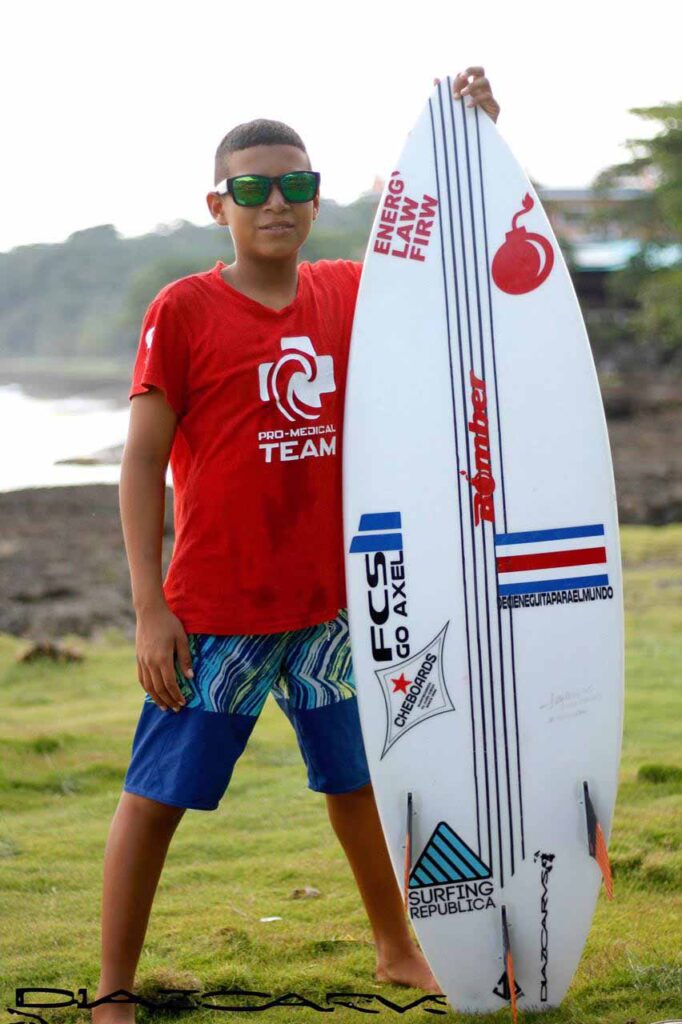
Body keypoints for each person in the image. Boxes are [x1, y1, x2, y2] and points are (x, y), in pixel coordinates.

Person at [92, 68, 501, 1024]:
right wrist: (152, 610)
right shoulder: (182, 311)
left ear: (317, 198)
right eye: (250, 189)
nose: (274, 203)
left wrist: (473, 136)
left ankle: (398, 949)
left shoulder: (352, 292)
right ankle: (111, 989)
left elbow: (450, 258)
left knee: (357, 781)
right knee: (156, 800)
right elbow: (140, 465)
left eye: (294, 185)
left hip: (334, 606)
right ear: (217, 205)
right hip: (218, 615)